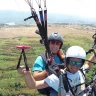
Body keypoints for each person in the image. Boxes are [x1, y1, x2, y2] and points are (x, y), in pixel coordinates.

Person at [18, 46, 96, 96]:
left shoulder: (81, 71)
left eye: (79, 63)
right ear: (67, 61)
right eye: (72, 62)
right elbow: (33, 85)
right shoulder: (59, 77)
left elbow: (88, 65)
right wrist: (27, 74)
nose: (75, 66)